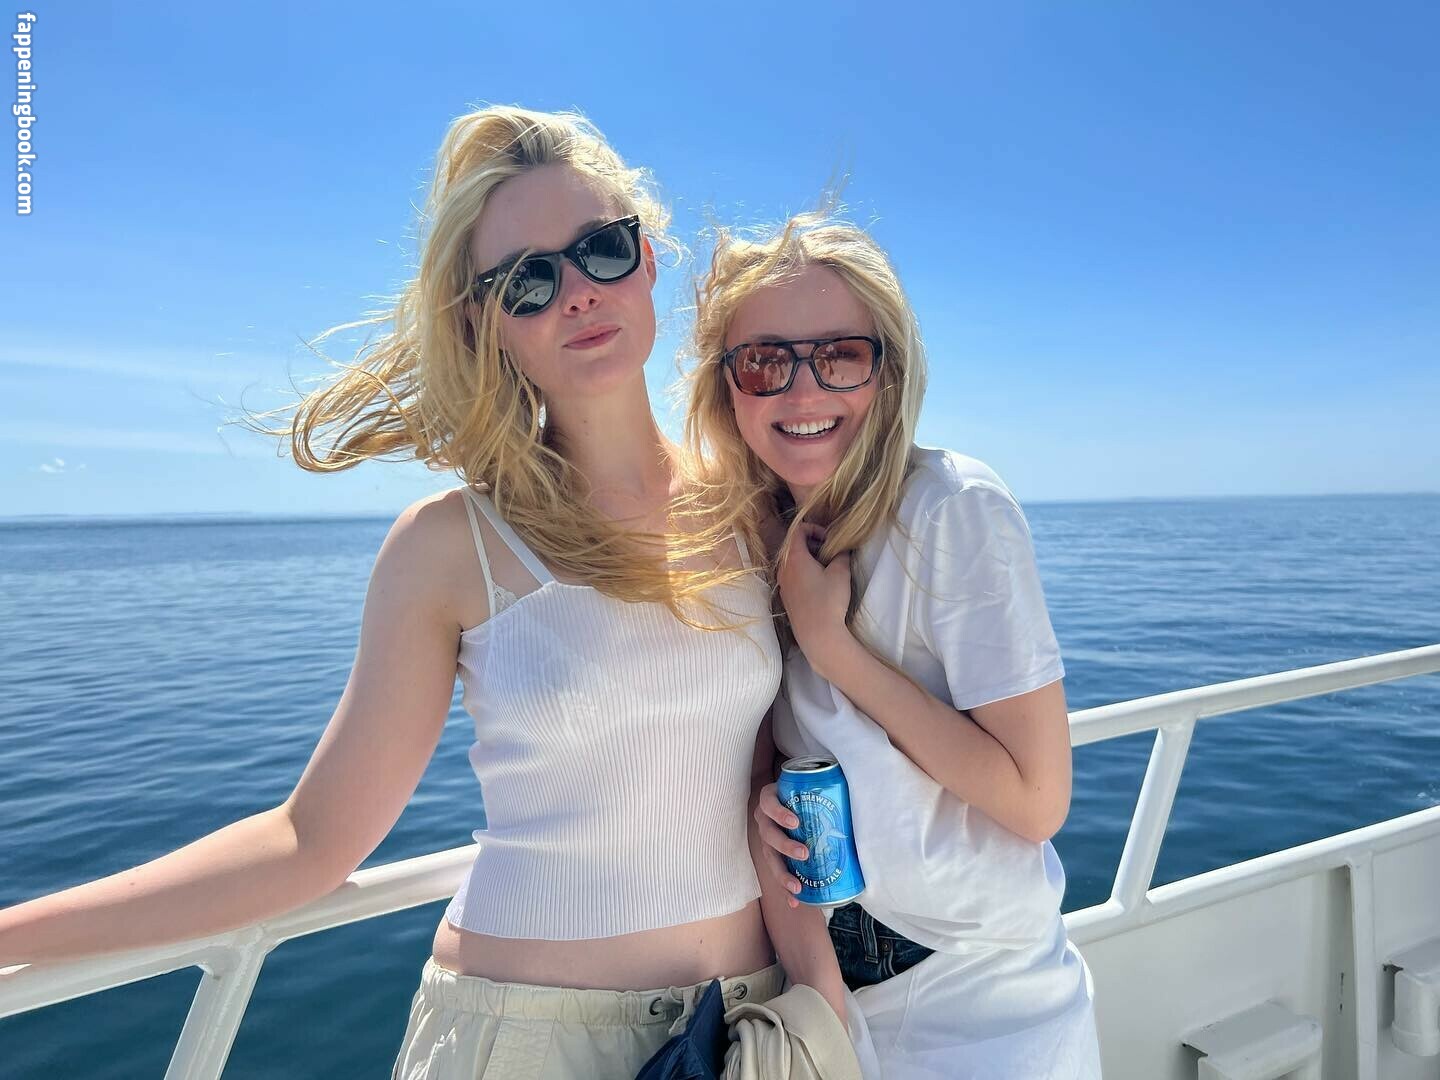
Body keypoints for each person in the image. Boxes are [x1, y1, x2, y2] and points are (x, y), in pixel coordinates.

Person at [0, 106, 844, 1079]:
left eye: (600, 251)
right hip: (527, 1042)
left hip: (748, 1028)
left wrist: (820, 990)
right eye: (526, 280)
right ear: (484, 320)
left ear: (647, 261)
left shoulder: (753, 509)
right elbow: (308, 840)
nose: (576, 292)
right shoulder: (452, 546)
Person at [684, 213, 1103, 1077]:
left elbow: (1036, 802)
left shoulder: (952, 510)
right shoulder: (749, 539)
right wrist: (819, 991)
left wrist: (833, 650)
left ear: (888, 371)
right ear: (727, 386)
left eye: (840, 356)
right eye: (764, 363)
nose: (804, 392)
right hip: (835, 995)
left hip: (987, 1005)